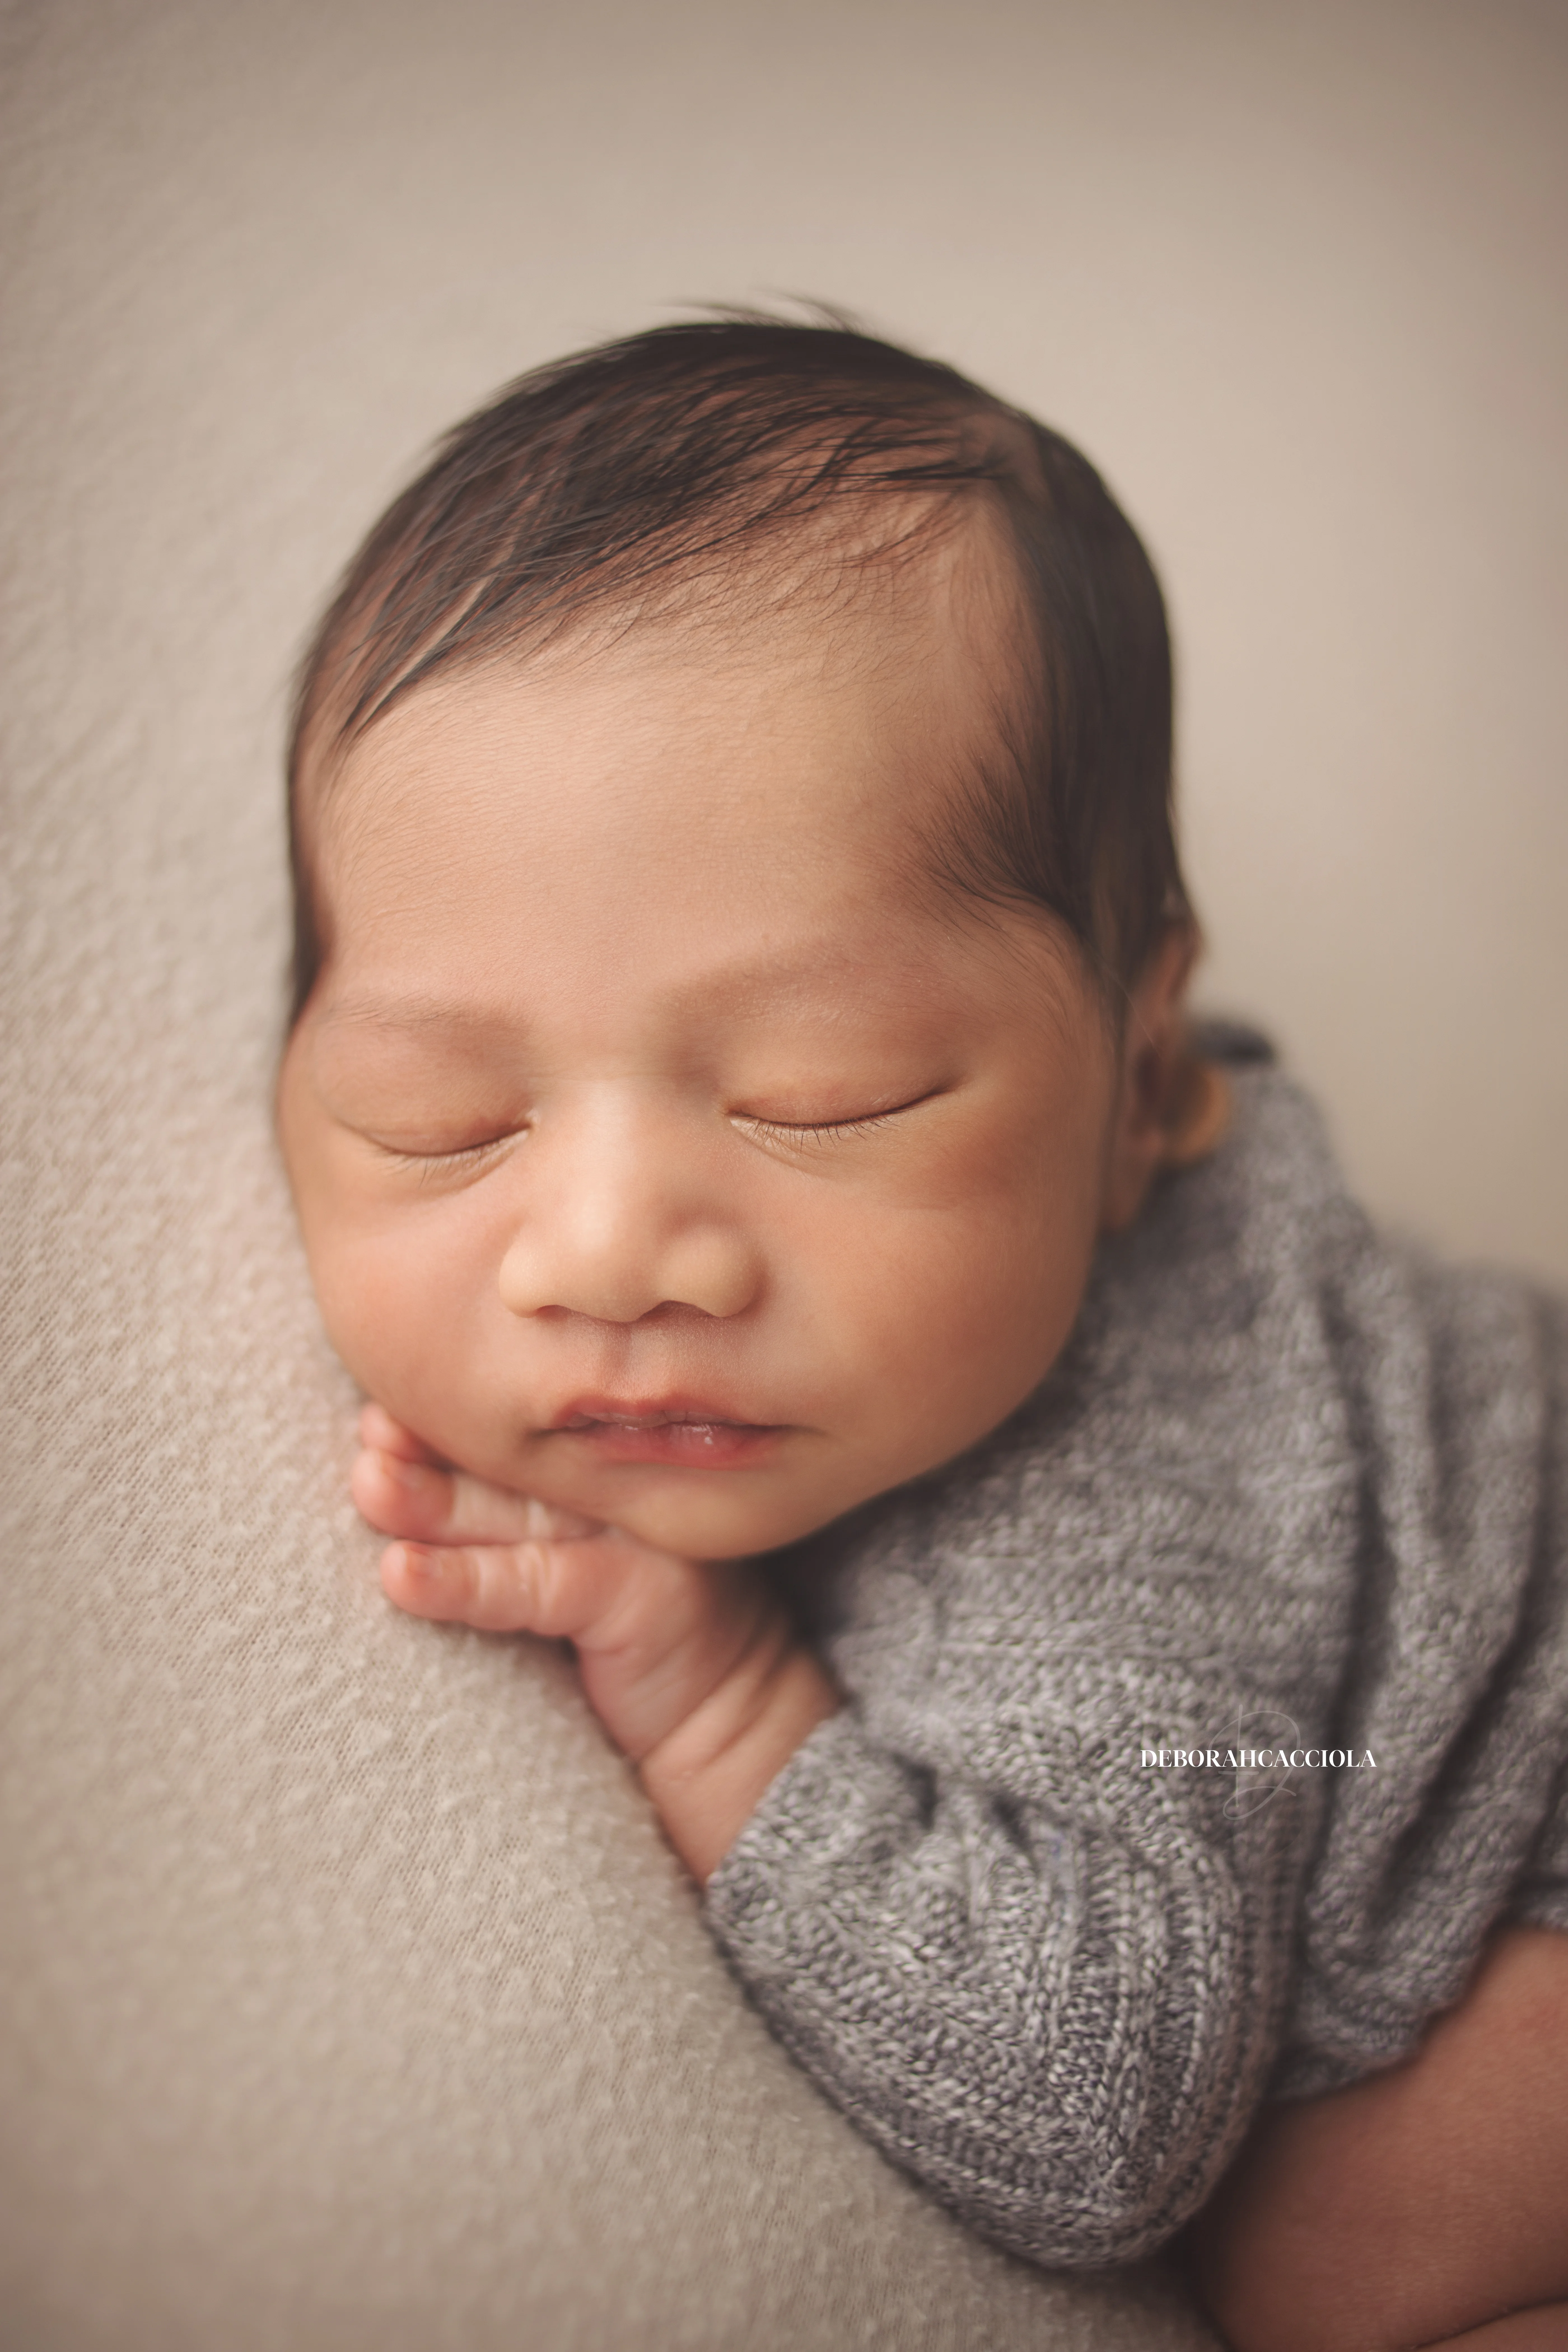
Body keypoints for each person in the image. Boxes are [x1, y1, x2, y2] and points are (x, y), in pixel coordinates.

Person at [275, 317, 1568, 2350]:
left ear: (1143, 1087)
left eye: (823, 1096)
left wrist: (724, 1709)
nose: (612, 1253)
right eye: (441, 1117)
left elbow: (1091, 2108)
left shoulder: (1127, 1460)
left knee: (1344, 2247)